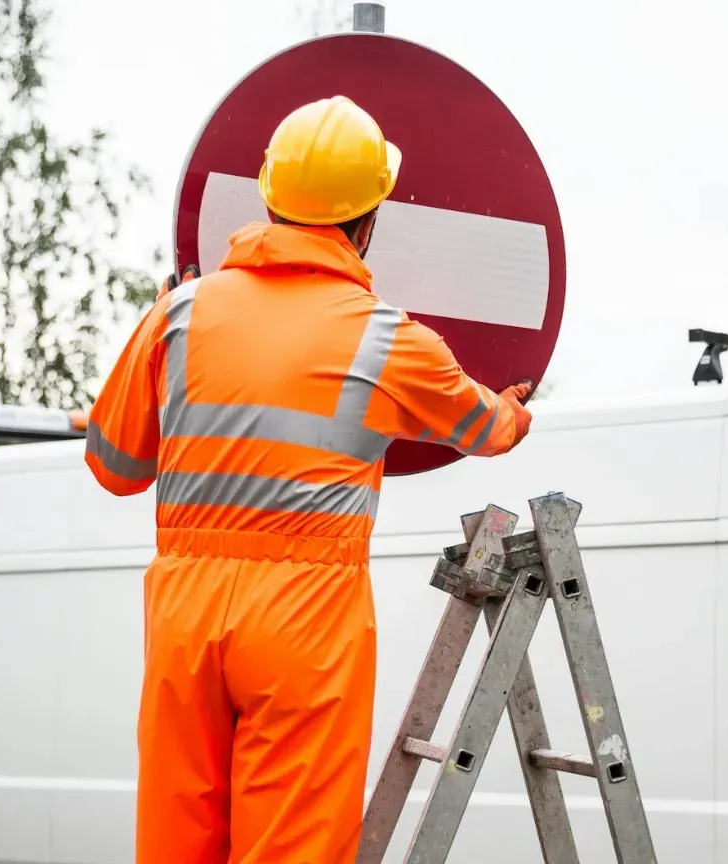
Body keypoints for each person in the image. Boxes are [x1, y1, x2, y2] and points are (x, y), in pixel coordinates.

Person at [84, 94, 535, 864]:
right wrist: (514, 409)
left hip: (186, 616)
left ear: (269, 197)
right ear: (369, 220)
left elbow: (113, 467)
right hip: (306, 618)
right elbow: (485, 431)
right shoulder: (387, 336)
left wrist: (151, 327)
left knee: (175, 843)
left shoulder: (179, 316)